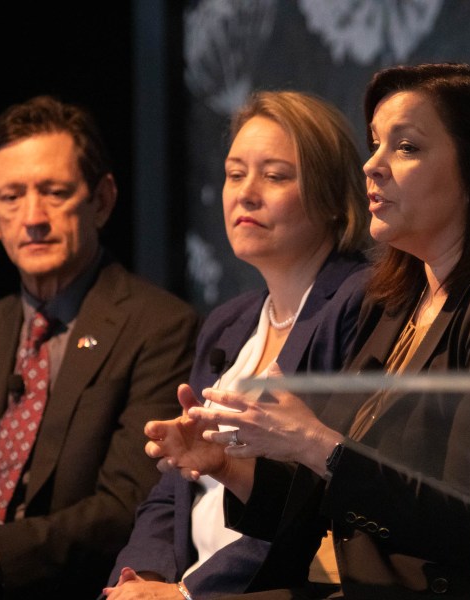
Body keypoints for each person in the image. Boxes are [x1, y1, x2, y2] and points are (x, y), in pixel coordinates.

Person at [147, 63, 470, 599]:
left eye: (406, 147)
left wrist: (316, 443)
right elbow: (328, 502)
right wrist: (228, 466)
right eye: (374, 145)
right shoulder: (397, 301)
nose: (373, 166)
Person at [103, 90, 370, 600]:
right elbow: (172, 491)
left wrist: (189, 594)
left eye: (274, 176)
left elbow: (311, 505)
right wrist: (142, 580)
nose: (246, 193)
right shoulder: (229, 324)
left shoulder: (358, 305)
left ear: (335, 197)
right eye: (234, 173)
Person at [0, 95, 199, 598]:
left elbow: (127, 504)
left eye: (54, 192)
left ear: (101, 200)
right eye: (11, 197)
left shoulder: (161, 328)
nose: (33, 217)